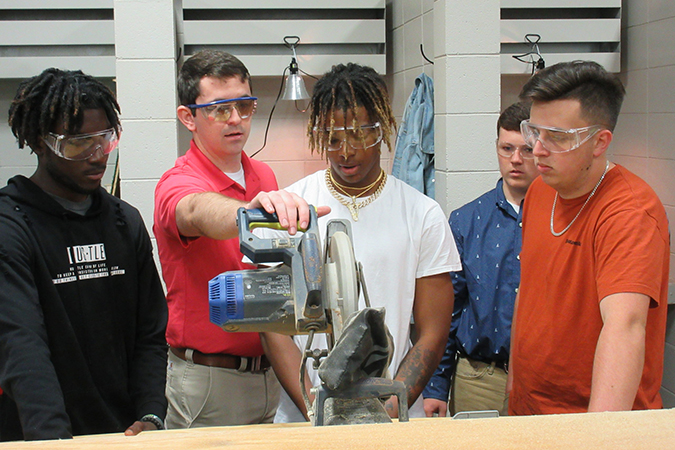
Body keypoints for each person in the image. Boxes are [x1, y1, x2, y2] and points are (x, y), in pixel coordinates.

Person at [262, 63, 460, 422]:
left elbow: (432, 332)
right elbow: (275, 327)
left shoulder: (422, 214)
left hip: (392, 414)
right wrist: (313, 406)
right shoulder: (293, 207)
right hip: (304, 414)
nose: (345, 152)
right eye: (333, 138)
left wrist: (391, 406)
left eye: (358, 136)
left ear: (381, 129)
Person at [153, 50, 322, 429]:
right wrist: (249, 212)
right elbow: (197, 212)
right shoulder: (176, 183)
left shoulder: (263, 176)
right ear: (188, 118)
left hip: (268, 372)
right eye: (219, 109)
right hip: (209, 382)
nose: (236, 120)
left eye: (244, 107)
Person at [0, 68, 168, 441]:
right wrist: (53, 441)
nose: (97, 157)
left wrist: (151, 414)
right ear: (41, 142)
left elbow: (150, 334)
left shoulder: (124, 222)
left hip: (123, 433)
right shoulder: (11, 226)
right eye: (78, 144)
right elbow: (20, 343)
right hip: (38, 434)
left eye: (105, 140)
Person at [508, 60, 669, 415]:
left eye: (557, 137)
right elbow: (529, 288)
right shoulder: (540, 191)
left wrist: (598, 436)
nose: (537, 150)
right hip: (530, 411)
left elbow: (624, 326)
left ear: (600, 142)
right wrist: (513, 388)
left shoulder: (629, 213)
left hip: (586, 420)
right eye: (534, 132)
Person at [422, 102, 537, 417]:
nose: (515, 159)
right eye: (507, 148)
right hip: (478, 378)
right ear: (497, 149)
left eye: (527, 149)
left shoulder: (561, 220)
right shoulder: (466, 220)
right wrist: (436, 387)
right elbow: (449, 311)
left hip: (543, 379)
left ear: (542, 150)